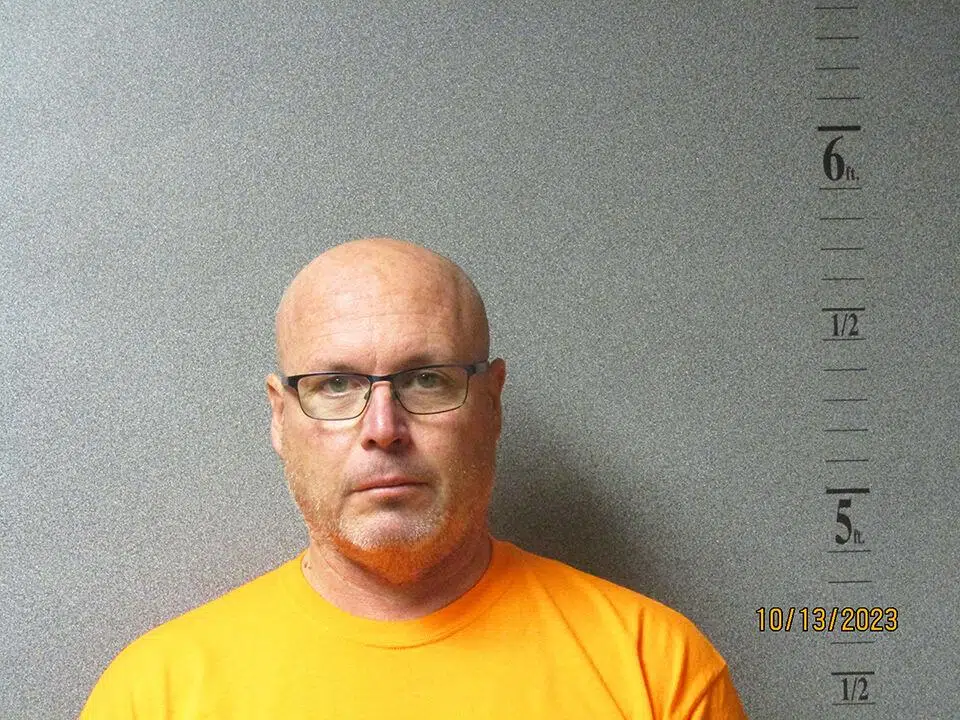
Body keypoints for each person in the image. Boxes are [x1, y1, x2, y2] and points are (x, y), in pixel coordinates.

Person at [81, 237, 748, 718]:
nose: (383, 427)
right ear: (280, 418)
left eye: (426, 379)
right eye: (335, 384)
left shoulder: (657, 669)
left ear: (492, 404)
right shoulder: (154, 696)